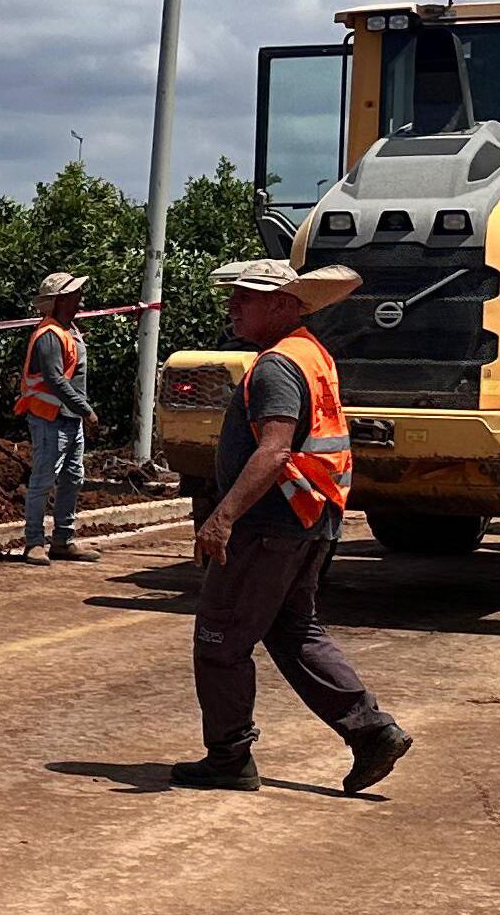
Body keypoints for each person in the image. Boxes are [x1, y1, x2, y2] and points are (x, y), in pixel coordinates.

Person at [177, 259, 414, 796]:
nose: (234, 305)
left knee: (219, 640)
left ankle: (229, 757)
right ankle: (372, 732)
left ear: (286, 305)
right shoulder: (309, 354)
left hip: (270, 522)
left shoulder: (277, 365)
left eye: (248, 297)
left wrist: (223, 517)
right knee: (294, 630)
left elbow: (274, 448)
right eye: (234, 294)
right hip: (309, 516)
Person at [16, 271, 96, 564]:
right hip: (50, 416)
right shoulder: (49, 335)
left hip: (67, 417)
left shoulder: (69, 329)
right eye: (74, 294)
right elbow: (54, 380)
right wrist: (86, 409)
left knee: (73, 477)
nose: (80, 298)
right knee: (43, 480)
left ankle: (63, 539)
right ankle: (34, 542)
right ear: (60, 300)